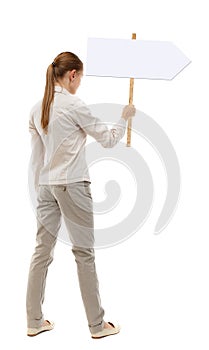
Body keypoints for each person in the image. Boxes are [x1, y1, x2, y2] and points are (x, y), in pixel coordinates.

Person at [26, 51, 136, 339]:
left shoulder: (37, 109)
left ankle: (34, 320)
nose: (79, 84)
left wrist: (40, 189)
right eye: (80, 78)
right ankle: (97, 326)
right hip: (73, 185)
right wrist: (124, 118)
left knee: (41, 252)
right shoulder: (74, 105)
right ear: (72, 74)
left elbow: (36, 159)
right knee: (84, 254)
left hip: (46, 186)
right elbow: (110, 140)